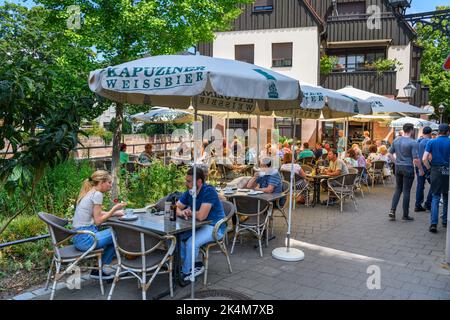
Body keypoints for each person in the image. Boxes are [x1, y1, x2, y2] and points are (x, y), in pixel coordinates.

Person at [72, 170, 126, 280]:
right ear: (101, 182)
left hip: (79, 237)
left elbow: (97, 213)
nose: (111, 185)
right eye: (109, 182)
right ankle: (100, 269)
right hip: (86, 238)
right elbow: (98, 221)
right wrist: (113, 209)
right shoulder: (97, 194)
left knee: (114, 236)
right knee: (118, 234)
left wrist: (115, 213)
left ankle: (97, 270)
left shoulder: (90, 192)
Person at [176, 167, 226, 280]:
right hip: (199, 225)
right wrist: (181, 213)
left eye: (189, 181)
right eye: (186, 180)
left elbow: (201, 216)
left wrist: (189, 212)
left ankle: (187, 271)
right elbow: (175, 207)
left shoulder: (209, 191)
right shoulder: (190, 192)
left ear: (199, 181)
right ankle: (194, 263)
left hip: (215, 227)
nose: (186, 183)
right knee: (176, 238)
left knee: (191, 243)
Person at [388, 123, 423, 222]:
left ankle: (392, 211)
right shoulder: (413, 142)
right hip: (408, 168)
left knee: (398, 189)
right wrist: (421, 170)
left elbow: (389, 154)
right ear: (411, 130)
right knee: (406, 191)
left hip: (398, 167)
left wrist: (396, 162)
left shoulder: (396, 140)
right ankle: (405, 215)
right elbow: (416, 159)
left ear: (403, 130)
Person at [422, 124, 449, 233]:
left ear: (439, 132)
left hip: (435, 170)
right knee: (447, 196)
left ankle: (433, 223)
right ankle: (445, 221)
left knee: (435, 196)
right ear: (447, 132)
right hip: (448, 170)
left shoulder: (431, 142)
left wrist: (429, 169)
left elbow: (424, 159)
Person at [414, 126, 432, 212]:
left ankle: (417, 205)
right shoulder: (430, 142)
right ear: (430, 133)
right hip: (427, 167)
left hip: (418, 166)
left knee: (420, 186)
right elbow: (430, 156)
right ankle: (428, 204)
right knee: (434, 185)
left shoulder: (417, 141)